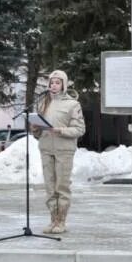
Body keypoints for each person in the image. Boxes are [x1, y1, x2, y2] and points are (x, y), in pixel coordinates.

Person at [32, 70, 85, 234]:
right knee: (49, 187)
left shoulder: (72, 104)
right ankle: (53, 220)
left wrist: (60, 130)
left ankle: (61, 221)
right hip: (46, 149)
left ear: (64, 84)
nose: (53, 85)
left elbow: (79, 129)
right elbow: (37, 134)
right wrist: (35, 129)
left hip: (64, 150)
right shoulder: (43, 104)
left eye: (57, 82)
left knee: (62, 186)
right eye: (51, 82)